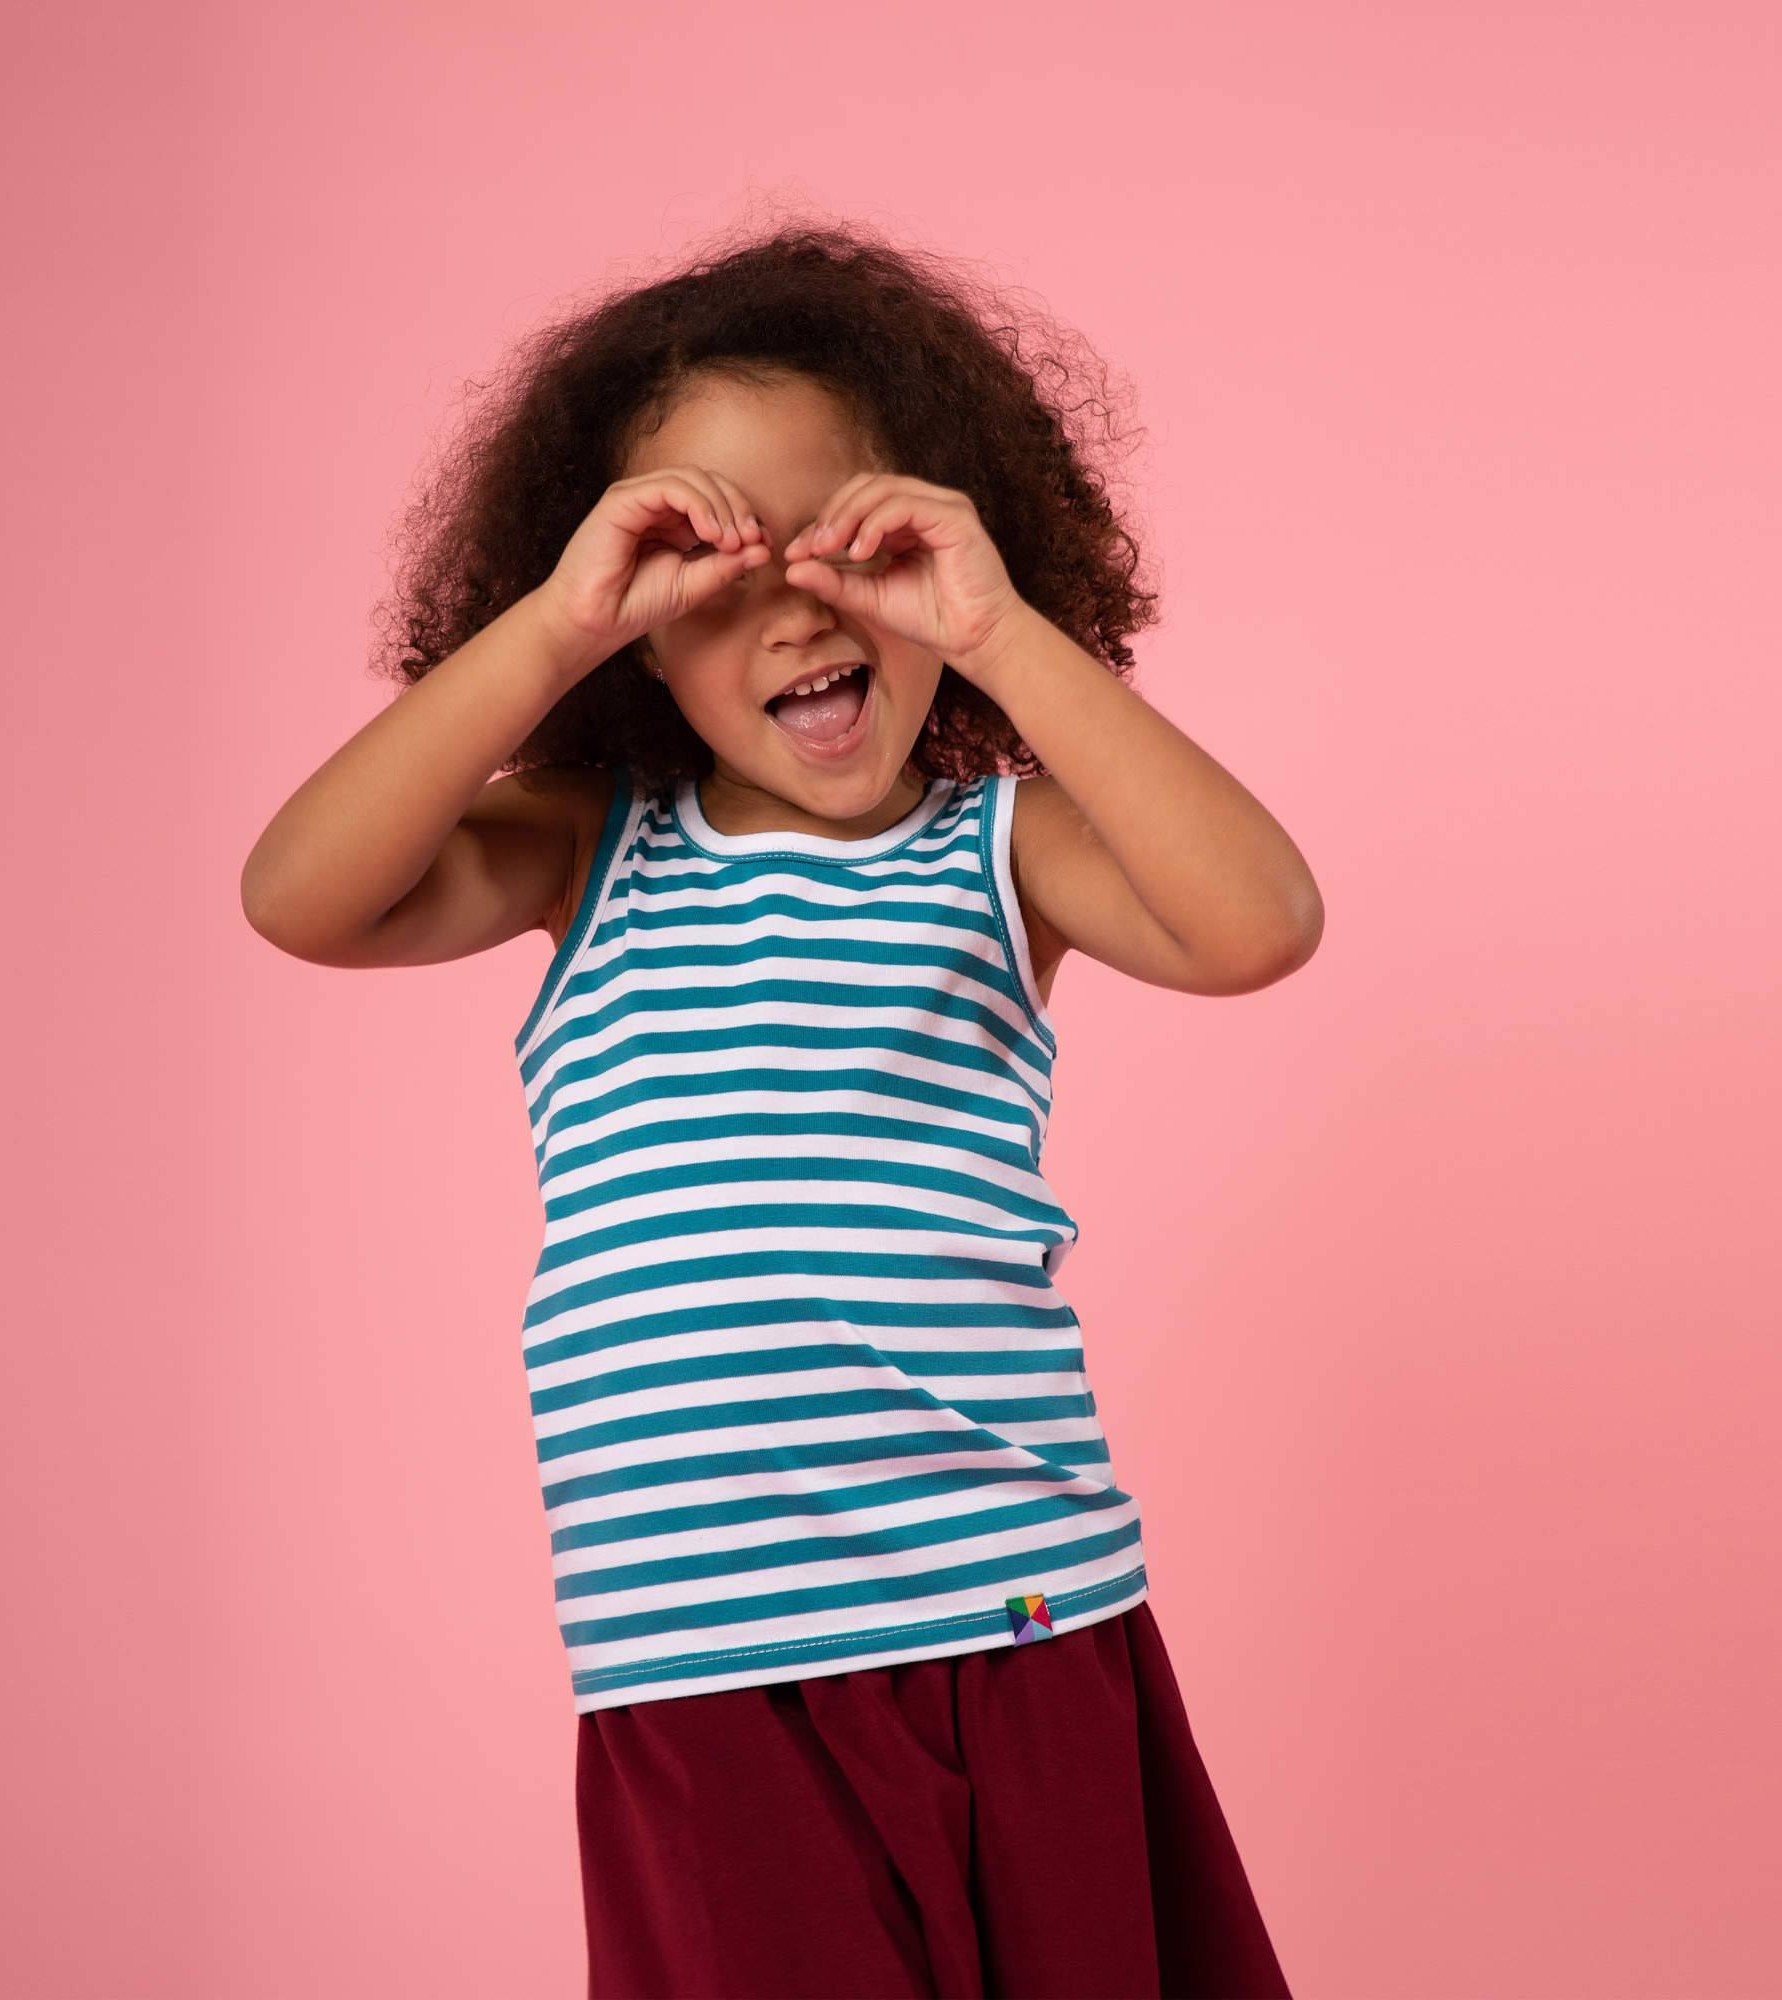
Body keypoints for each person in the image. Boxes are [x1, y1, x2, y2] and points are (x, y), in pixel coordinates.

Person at [242, 217, 1319, 1999]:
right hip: (701, 1661)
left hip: (1018, 1614)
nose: (802, 608)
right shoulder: (586, 851)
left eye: (854, 545)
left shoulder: (1001, 851)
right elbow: (302, 894)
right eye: (712, 571)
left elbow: (1260, 923)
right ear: (638, 645)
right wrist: (557, 620)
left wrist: (998, 629)